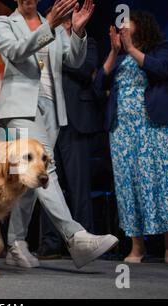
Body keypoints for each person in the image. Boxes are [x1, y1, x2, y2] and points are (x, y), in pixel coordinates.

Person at [0, 0, 118, 269]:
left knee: (28, 181)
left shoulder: (52, 24)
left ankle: (15, 243)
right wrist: (49, 25)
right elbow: (15, 52)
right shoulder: (4, 23)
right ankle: (76, 237)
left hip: (53, 107)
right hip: (21, 107)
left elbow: (73, 58)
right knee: (44, 168)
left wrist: (77, 32)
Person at [95, 11, 168, 264]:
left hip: (156, 126)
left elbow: (162, 70)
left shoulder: (161, 48)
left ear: (143, 25)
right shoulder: (120, 56)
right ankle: (136, 247)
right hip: (123, 130)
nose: (123, 26)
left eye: (128, 22)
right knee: (129, 185)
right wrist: (116, 51)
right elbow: (98, 86)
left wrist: (131, 49)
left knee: (165, 183)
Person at [37, 12, 102, 259]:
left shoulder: (87, 41)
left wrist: (62, 51)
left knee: (78, 187)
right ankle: (51, 243)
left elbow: (86, 69)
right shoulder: (45, 40)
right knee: (47, 182)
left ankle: (86, 242)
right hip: (47, 119)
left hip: (75, 123)